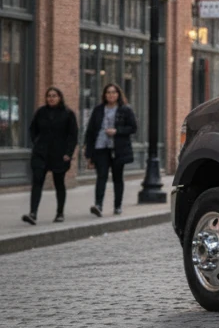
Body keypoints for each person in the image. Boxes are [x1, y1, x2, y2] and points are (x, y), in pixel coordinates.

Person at [21, 88, 79, 225]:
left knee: (59, 183)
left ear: (60, 97)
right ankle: (33, 213)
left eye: (54, 96)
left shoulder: (68, 114)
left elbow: (73, 136)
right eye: (49, 96)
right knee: (37, 182)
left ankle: (60, 213)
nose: (51, 98)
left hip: (59, 154)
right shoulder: (41, 112)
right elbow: (33, 129)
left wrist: (68, 153)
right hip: (41, 153)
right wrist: (36, 142)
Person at [83, 83, 138, 217]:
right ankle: (98, 205)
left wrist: (117, 131)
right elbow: (90, 131)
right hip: (101, 147)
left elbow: (133, 128)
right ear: (104, 95)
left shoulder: (125, 110)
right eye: (108, 92)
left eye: (113, 92)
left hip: (118, 149)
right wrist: (89, 154)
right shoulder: (98, 110)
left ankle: (117, 206)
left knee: (117, 178)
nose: (111, 95)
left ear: (118, 94)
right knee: (101, 176)